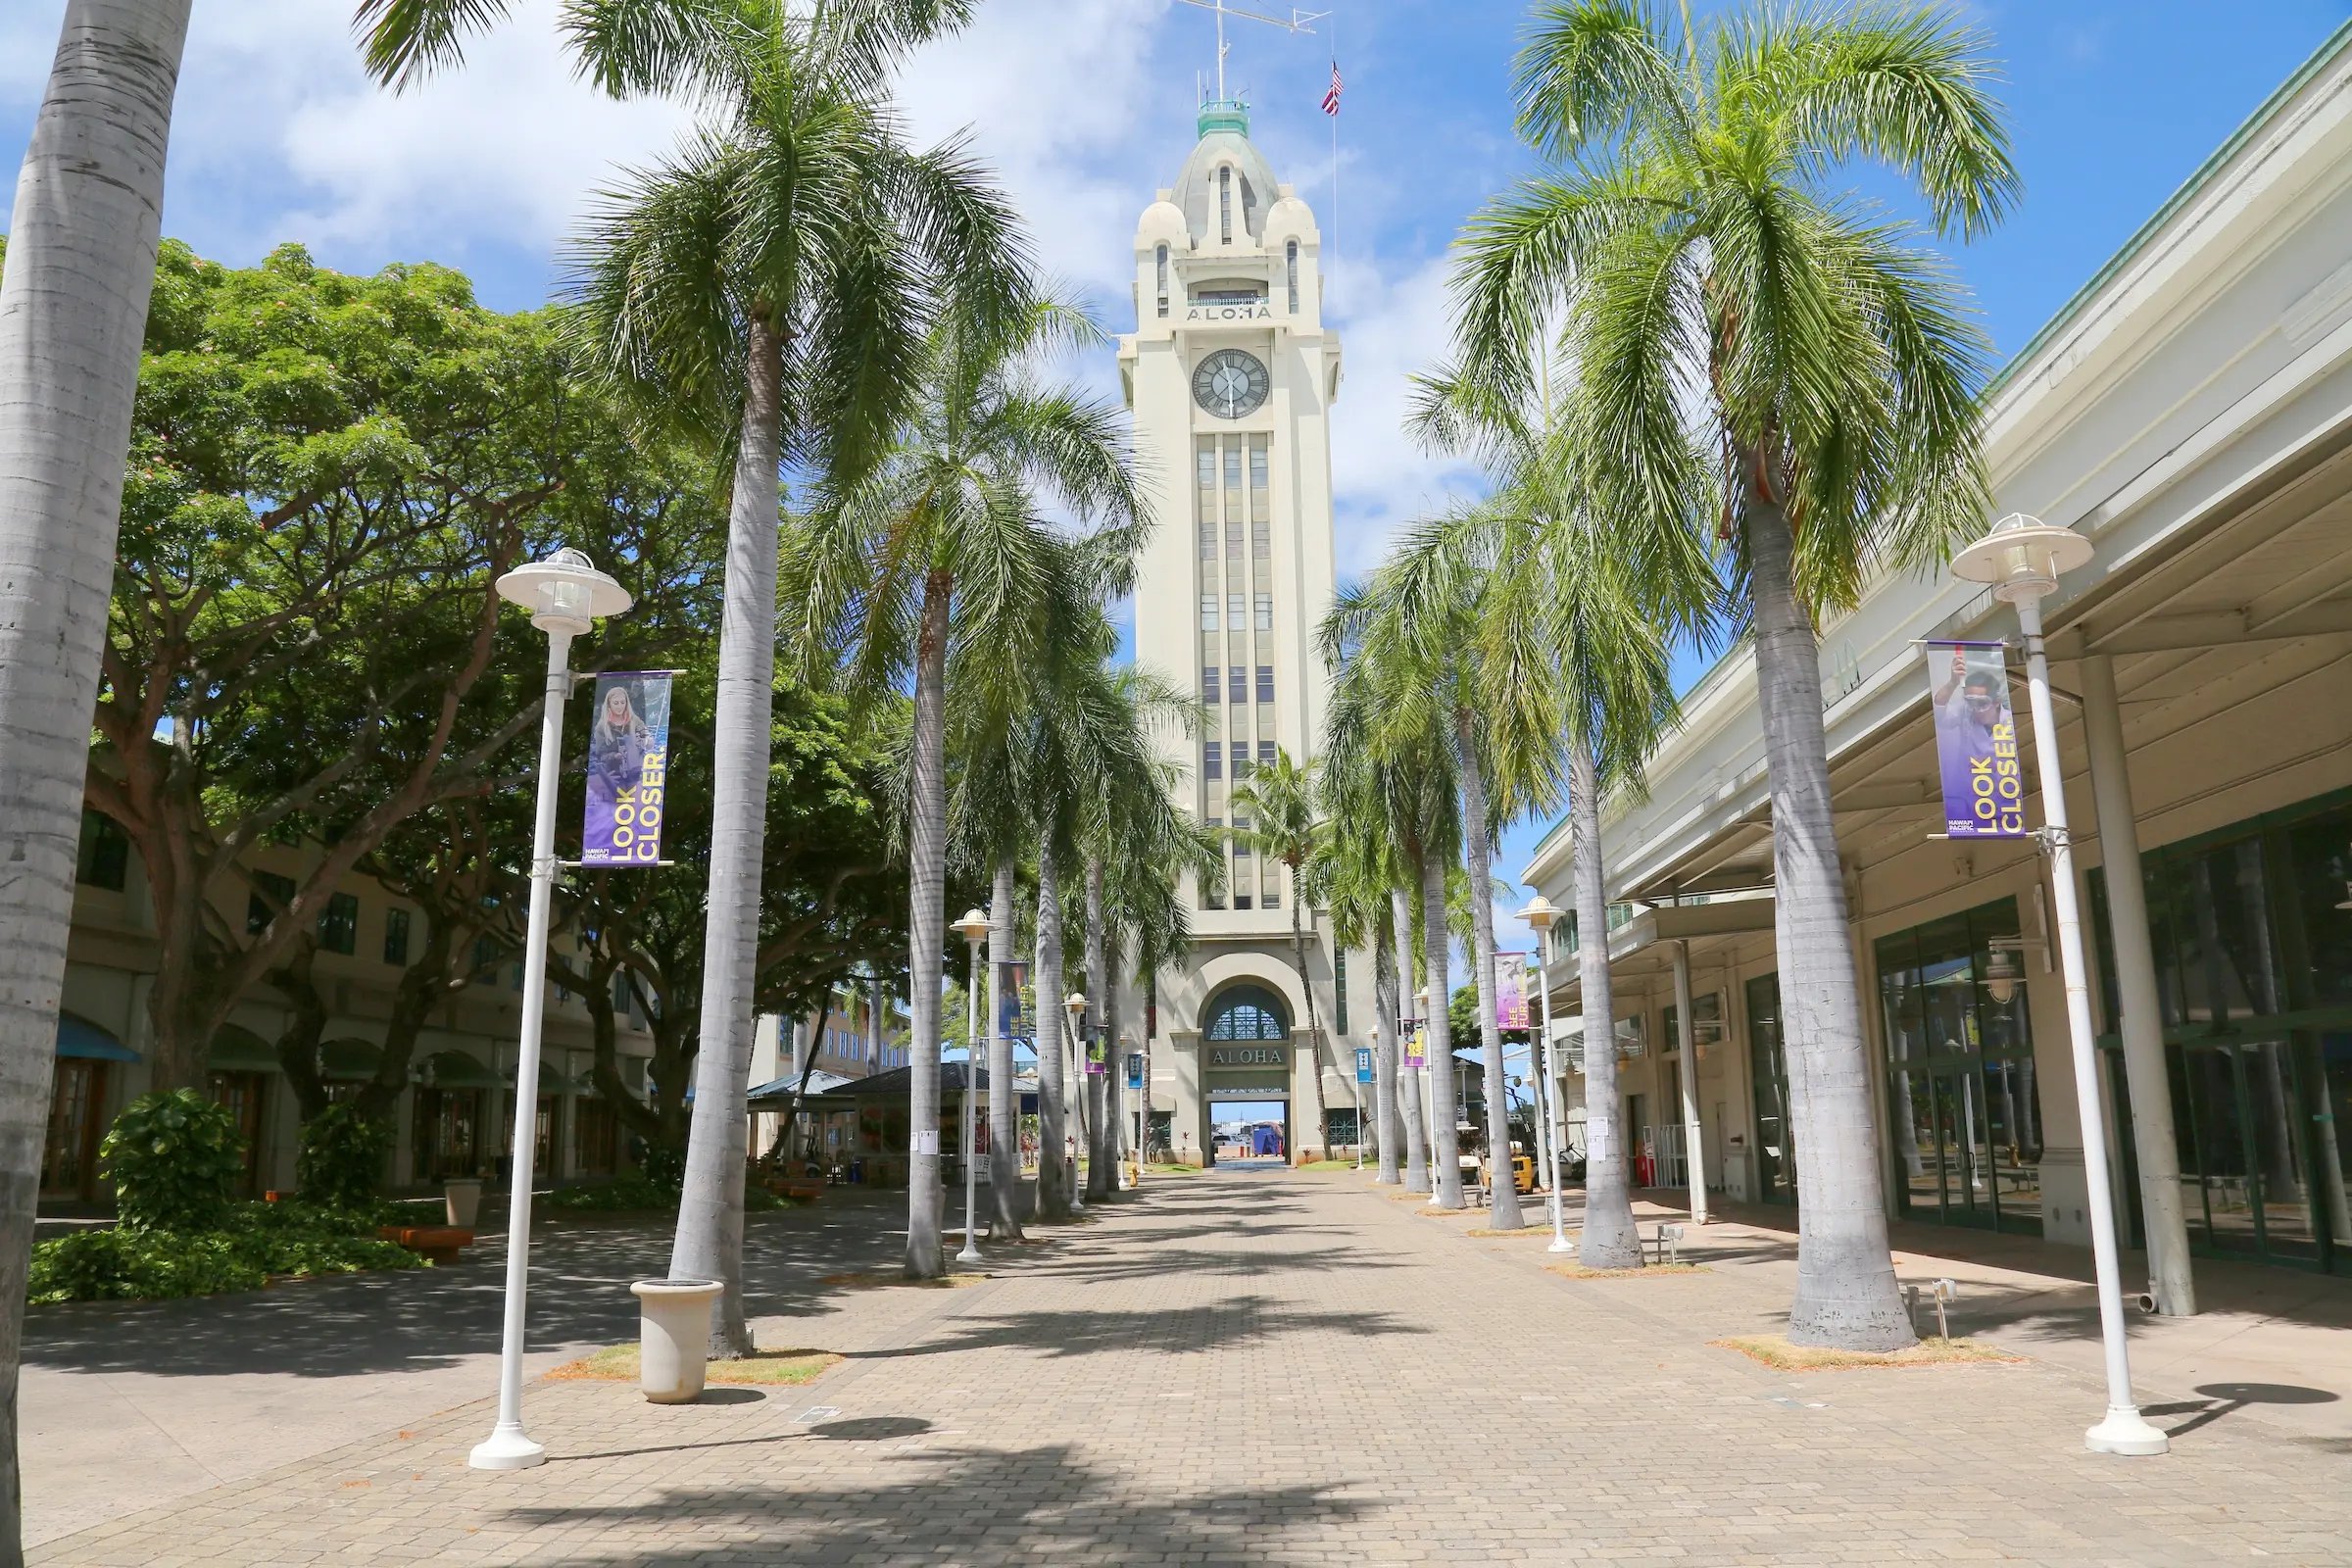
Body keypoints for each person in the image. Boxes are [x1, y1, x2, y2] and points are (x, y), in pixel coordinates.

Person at [1931, 646, 2005, 831]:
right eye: (1971, 702)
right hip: (1967, 799)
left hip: (2003, 802)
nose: (1976, 709)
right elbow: (1939, 713)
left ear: (1996, 702)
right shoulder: (1966, 712)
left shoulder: (2008, 721)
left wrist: (1992, 765)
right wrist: (1953, 682)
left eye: (1982, 703)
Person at [586, 681, 653, 857]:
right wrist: (615, 756)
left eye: (623, 702)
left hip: (633, 766)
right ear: (609, 704)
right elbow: (600, 755)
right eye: (616, 703)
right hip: (613, 769)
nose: (620, 706)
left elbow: (646, 735)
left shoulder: (633, 719)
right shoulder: (601, 727)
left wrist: (645, 740)